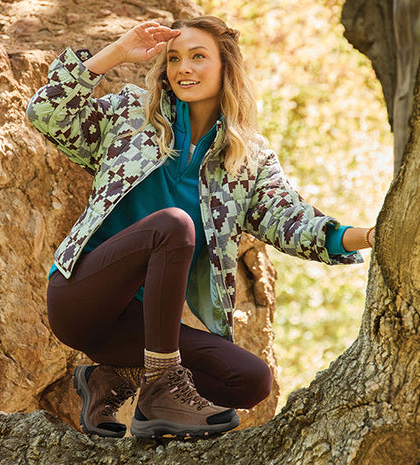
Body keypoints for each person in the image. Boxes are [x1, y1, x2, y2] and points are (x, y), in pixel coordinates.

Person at [27, 17, 375, 439]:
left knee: (250, 380)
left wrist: (369, 236)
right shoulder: (129, 115)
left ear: (227, 68)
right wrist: (118, 50)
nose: (183, 68)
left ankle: (110, 379)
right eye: (174, 59)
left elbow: (294, 221)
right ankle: (159, 386)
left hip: (139, 325)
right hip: (81, 298)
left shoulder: (249, 159)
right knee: (173, 226)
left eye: (198, 57)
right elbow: (46, 111)